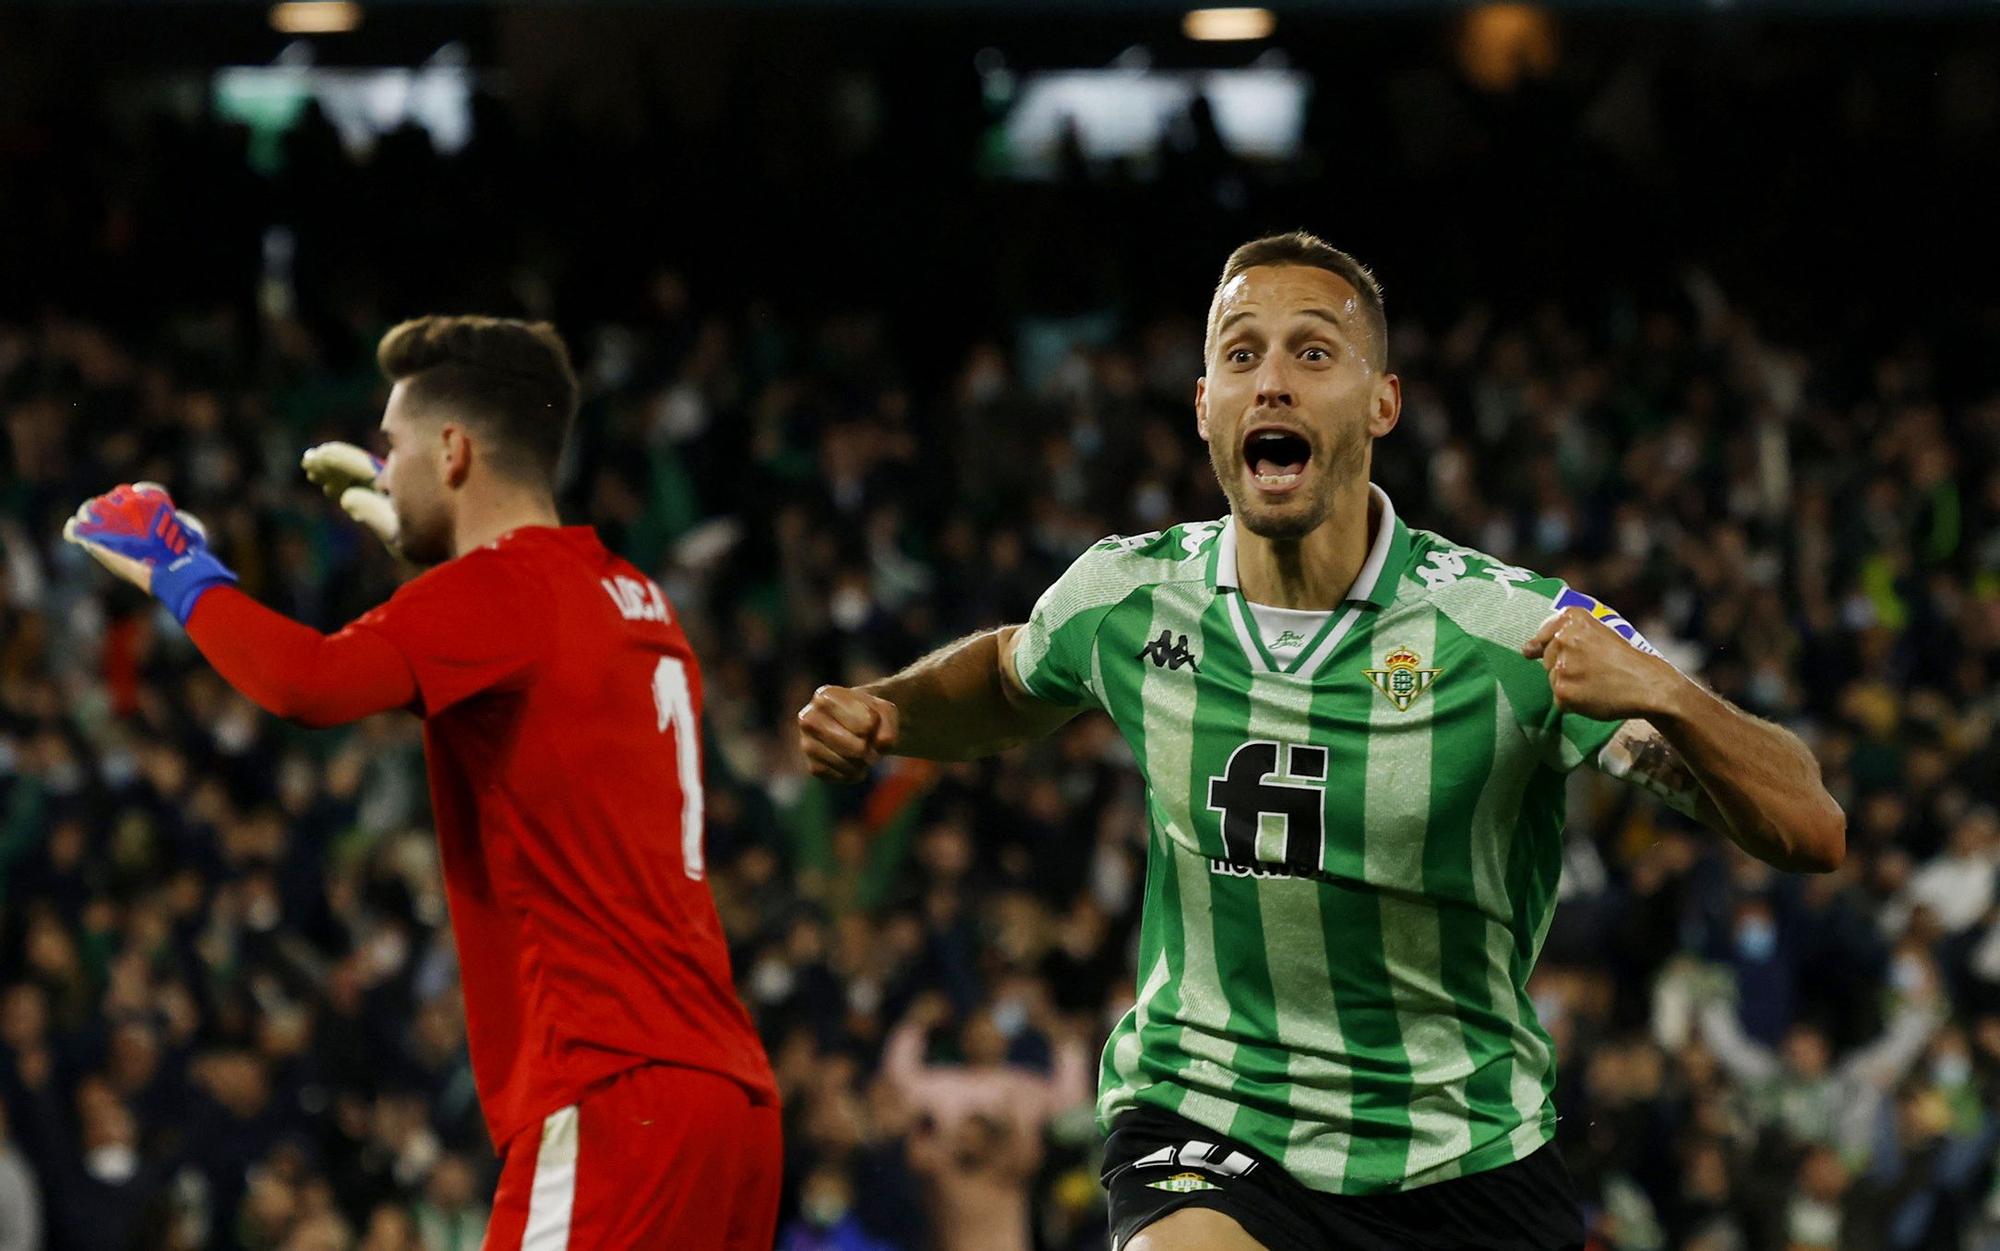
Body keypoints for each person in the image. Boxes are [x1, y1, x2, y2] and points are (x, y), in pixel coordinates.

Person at [797, 233, 1846, 1251]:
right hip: (1206, 1116)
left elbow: (1808, 827)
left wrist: (1667, 695)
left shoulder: (1503, 631)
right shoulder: (1128, 594)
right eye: (1239, 353)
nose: (1270, 383)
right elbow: (1007, 676)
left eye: (1312, 352)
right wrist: (891, 712)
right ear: (1204, 404)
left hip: (1460, 1157)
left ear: (1381, 401)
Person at [64, 316, 779, 1249]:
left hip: (612, 1093)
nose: (380, 465)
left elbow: (306, 682)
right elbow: (510, 684)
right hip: (726, 1098)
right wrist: (429, 548)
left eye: (391, 446)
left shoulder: (502, 594)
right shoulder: (632, 594)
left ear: (453, 449)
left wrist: (176, 563)